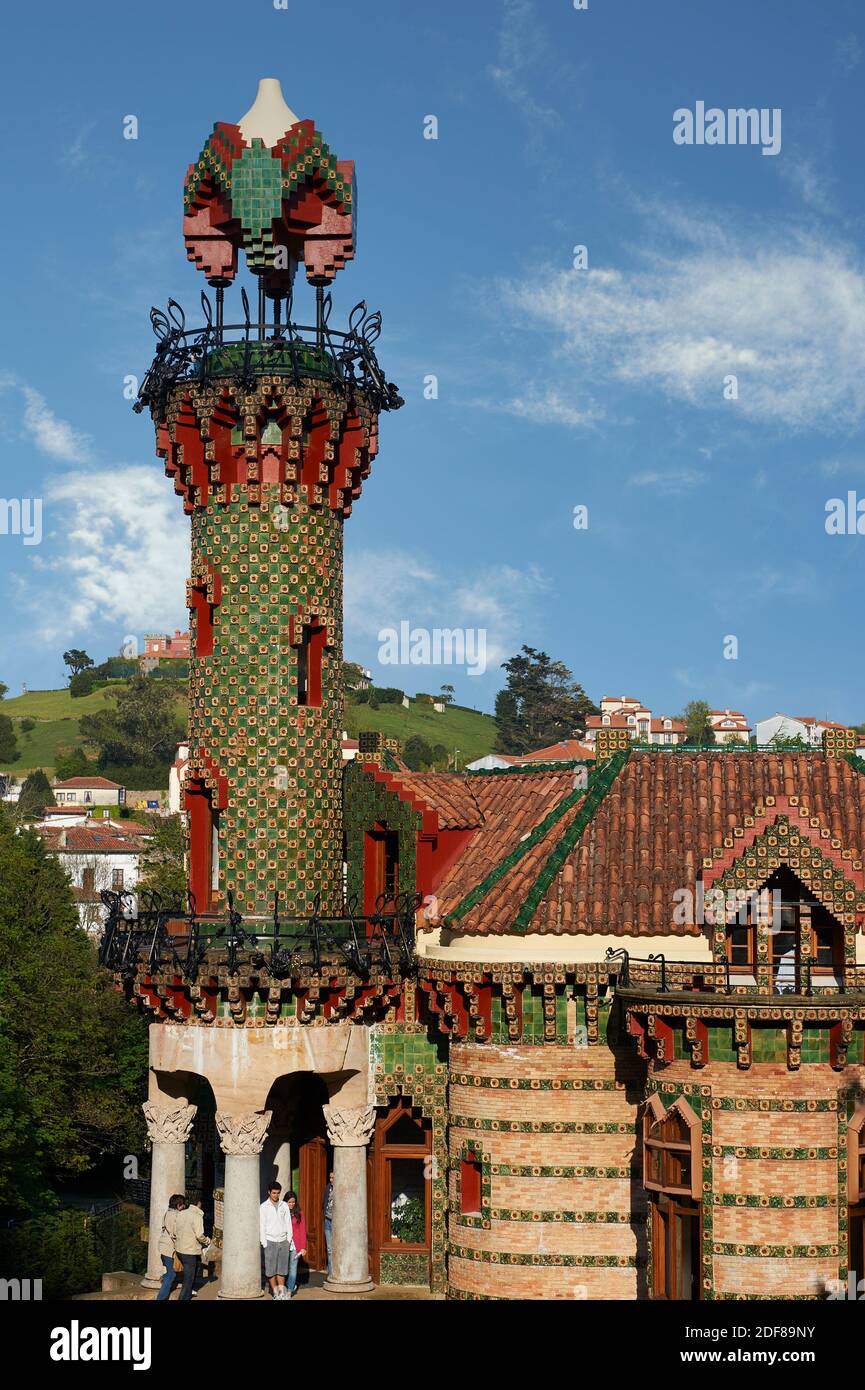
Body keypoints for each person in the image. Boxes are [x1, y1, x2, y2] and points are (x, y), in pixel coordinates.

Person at [260, 1181, 294, 1300]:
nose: (276, 1195)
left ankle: (282, 1292)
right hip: (270, 1241)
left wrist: (288, 1239)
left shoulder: (284, 1205)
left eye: (278, 1193)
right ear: (269, 1192)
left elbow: (288, 1223)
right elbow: (262, 1225)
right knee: (270, 1269)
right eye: (274, 1193)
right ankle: (275, 1293)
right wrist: (264, 1243)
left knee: (282, 1268)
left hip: (283, 1240)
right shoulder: (263, 1207)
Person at [174, 1195, 208, 1301]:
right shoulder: (197, 1216)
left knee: (196, 1267)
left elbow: (175, 1232)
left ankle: (188, 1295)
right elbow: (199, 1235)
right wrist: (207, 1241)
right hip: (189, 1251)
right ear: (199, 1204)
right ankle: (183, 1298)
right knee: (188, 1280)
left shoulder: (181, 1213)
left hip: (180, 1250)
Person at [155, 1194, 185, 1302]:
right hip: (169, 1249)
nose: (183, 1208)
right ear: (178, 1205)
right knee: (172, 1274)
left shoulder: (167, 1213)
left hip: (164, 1247)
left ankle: (165, 1276)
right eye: (183, 1205)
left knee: (170, 1272)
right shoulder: (176, 1216)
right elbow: (175, 1234)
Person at [285, 1191, 307, 1297]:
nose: (291, 1204)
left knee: (293, 1268)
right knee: (284, 1268)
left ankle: (289, 1291)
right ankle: (287, 1285)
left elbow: (302, 1230)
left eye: (293, 1202)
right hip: (284, 1244)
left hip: (295, 1245)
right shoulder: (281, 1211)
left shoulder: (300, 1213)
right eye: (289, 1202)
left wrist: (303, 1247)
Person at [322, 1170, 334, 1277]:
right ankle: (331, 1274)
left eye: (333, 1178)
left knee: (337, 1248)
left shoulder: (342, 1189)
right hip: (327, 1220)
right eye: (330, 1178)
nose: (331, 1180)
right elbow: (324, 1202)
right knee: (329, 1249)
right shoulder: (328, 1187)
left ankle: (337, 1272)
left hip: (337, 1223)